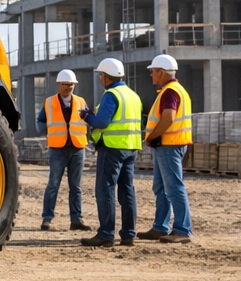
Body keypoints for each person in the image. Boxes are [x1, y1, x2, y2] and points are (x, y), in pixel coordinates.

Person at [79, 57, 141, 248]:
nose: (100, 79)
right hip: (130, 147)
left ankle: (106, 234)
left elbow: (102, 122)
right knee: (127, 191)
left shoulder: (111, 94)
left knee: (105, 190)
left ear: (106, 76)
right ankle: (128, 235)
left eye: (101, 76)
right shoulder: (133, 95)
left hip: (112, 148)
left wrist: (87, 116)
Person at [140, 53, 193, 243]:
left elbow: (168, 117)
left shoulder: (170, 92)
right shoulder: (176, 90)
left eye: (153, 71)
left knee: (173, 188)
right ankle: (160, 227)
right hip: (170, 144)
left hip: (169, 145)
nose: (151, 75)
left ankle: (182, 229)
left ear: (161, 72)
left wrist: (153, 136)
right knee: (162, 188)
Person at [40, 69, 89, 231]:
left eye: (71, 85)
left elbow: (89, 119)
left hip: (77, 148)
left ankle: (76, 219)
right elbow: (40, 121)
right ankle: (47, 219)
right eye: (65, 84)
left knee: (76, 187)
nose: (69, 87)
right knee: (53, 185)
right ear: (58, 84)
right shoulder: (49, 102)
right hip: (57, 149)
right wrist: (47, 133)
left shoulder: (81, 102)